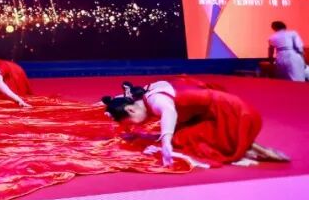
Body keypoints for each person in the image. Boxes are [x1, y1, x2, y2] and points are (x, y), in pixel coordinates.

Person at [102, 80, 288, 167]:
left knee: (182, 139)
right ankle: (253, 147)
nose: (134, 125)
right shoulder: (144, 93)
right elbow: (123, 100)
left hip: (232, 111)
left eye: (131, 122)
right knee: (182, 132)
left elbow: (169, 111)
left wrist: (165, 142)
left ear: (131, 110)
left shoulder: (155, 100)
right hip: (216, 108)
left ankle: (257, 149)